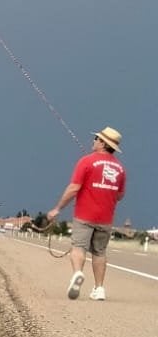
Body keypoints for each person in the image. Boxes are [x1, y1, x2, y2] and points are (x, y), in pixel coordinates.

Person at [47, 126, 126, 301]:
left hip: (85, 215)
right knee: (99, 252)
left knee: (78, 247)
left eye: (97, 139)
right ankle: (99, 289)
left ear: (103, 143)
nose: (93, 141)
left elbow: (74, 188)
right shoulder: (120, 168)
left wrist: (57, 208)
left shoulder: (86, 161)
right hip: (106, 218)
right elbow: (120, 195)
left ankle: (77, 274)